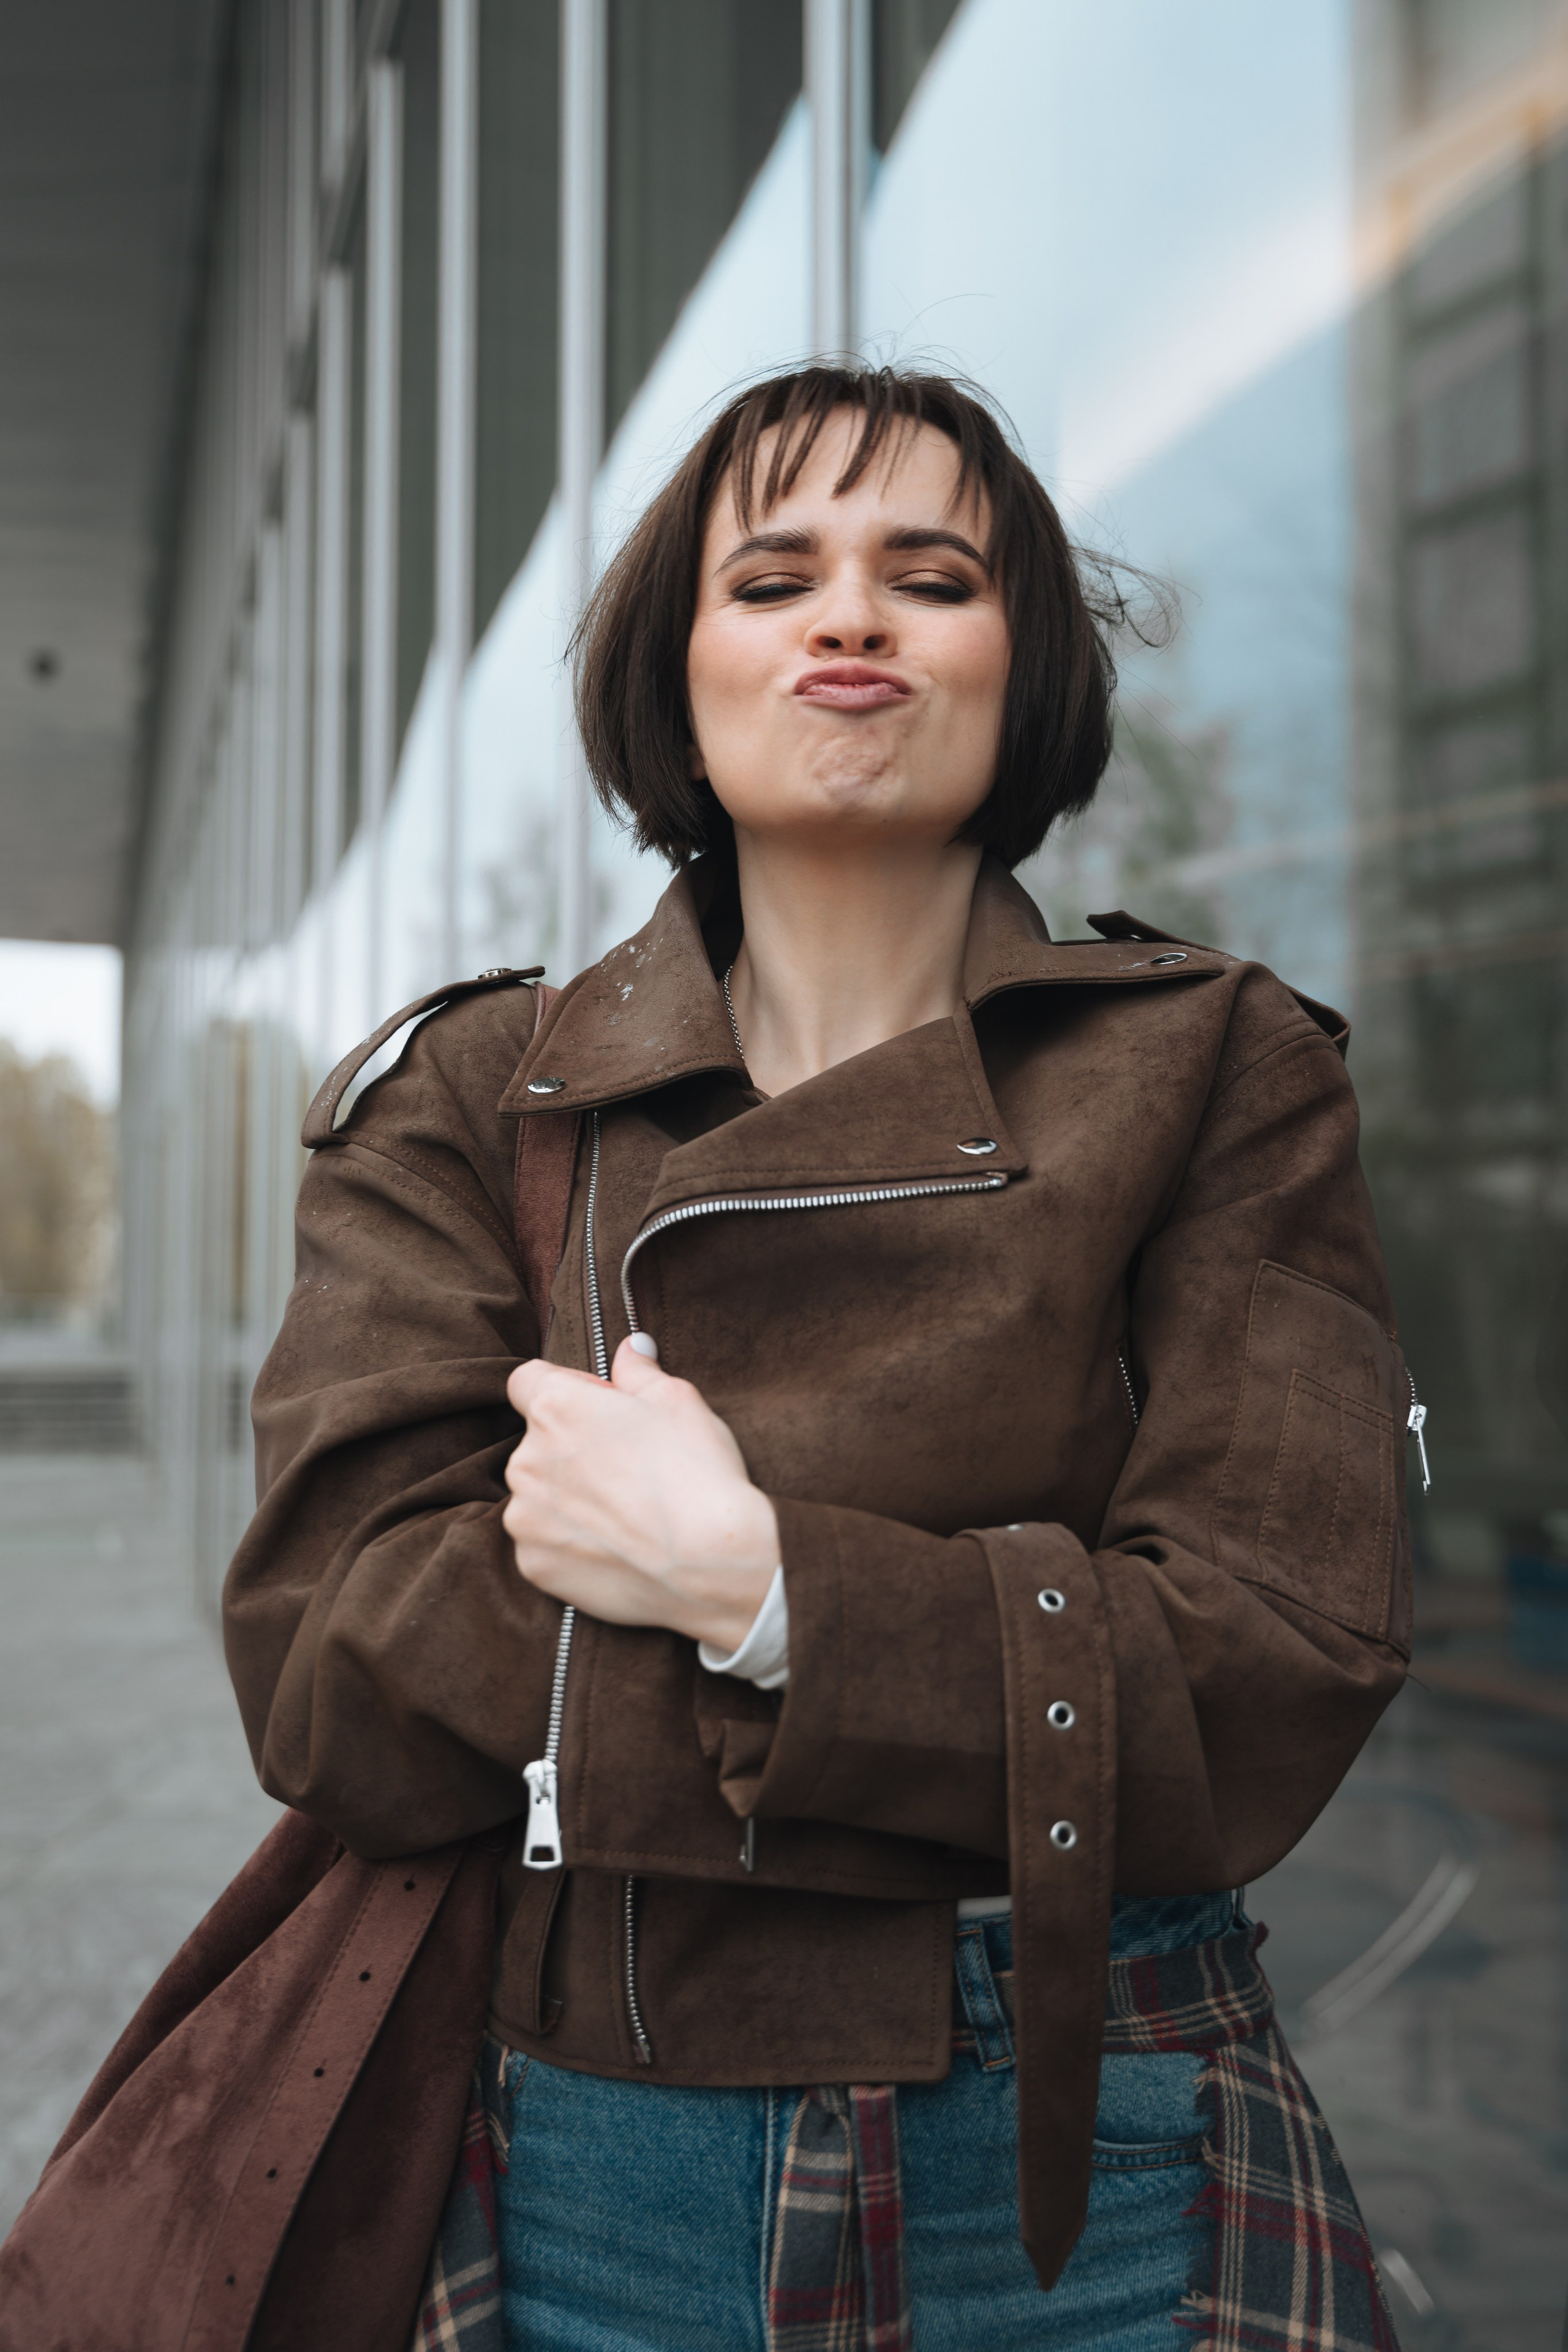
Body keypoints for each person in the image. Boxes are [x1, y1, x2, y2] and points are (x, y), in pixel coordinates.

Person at [225, 366, 1411, 2351]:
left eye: (929, 574)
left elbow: (1275, 1663)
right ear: (674, 671)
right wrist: (1011, 1658)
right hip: (591, 2150)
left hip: (1087, 2133)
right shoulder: (472, 1093)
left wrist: (754, 1586)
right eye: (773, 576)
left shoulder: (1218, 1068)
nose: (852, 617)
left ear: (1014, 664)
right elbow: (333, 1664)